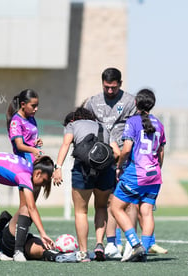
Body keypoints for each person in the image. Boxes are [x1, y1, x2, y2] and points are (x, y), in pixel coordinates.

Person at [53, 106, 120, 262]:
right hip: (105, 171)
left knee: (81, 212)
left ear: (73, 119)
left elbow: (65, 145)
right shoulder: (103, 126)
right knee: (102, 207)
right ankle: (99, 244)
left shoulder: (72, 124)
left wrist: (58, 167)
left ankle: (83, 253)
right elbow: (116, 152)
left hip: (82, 170)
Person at [110, 89, 165, 262]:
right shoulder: (160, 124)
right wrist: (157, 169)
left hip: (135, 174)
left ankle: (135, 244)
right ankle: (144, 251)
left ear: (136, 103)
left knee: (115, 207)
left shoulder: (133, 121)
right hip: (154, 175)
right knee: (147, 212)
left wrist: (119, 167)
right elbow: (161, 152)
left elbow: (126, 149)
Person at [6, 89, 43, 163]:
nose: (36, 109)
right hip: (24, 161)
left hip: (35, 159)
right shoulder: (16, 121)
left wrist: (38, 142)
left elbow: (29, 139)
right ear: (23, 104)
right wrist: (33, 150)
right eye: (33, 106)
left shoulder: (31, 118)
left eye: (37, 106)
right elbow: (19, 145)